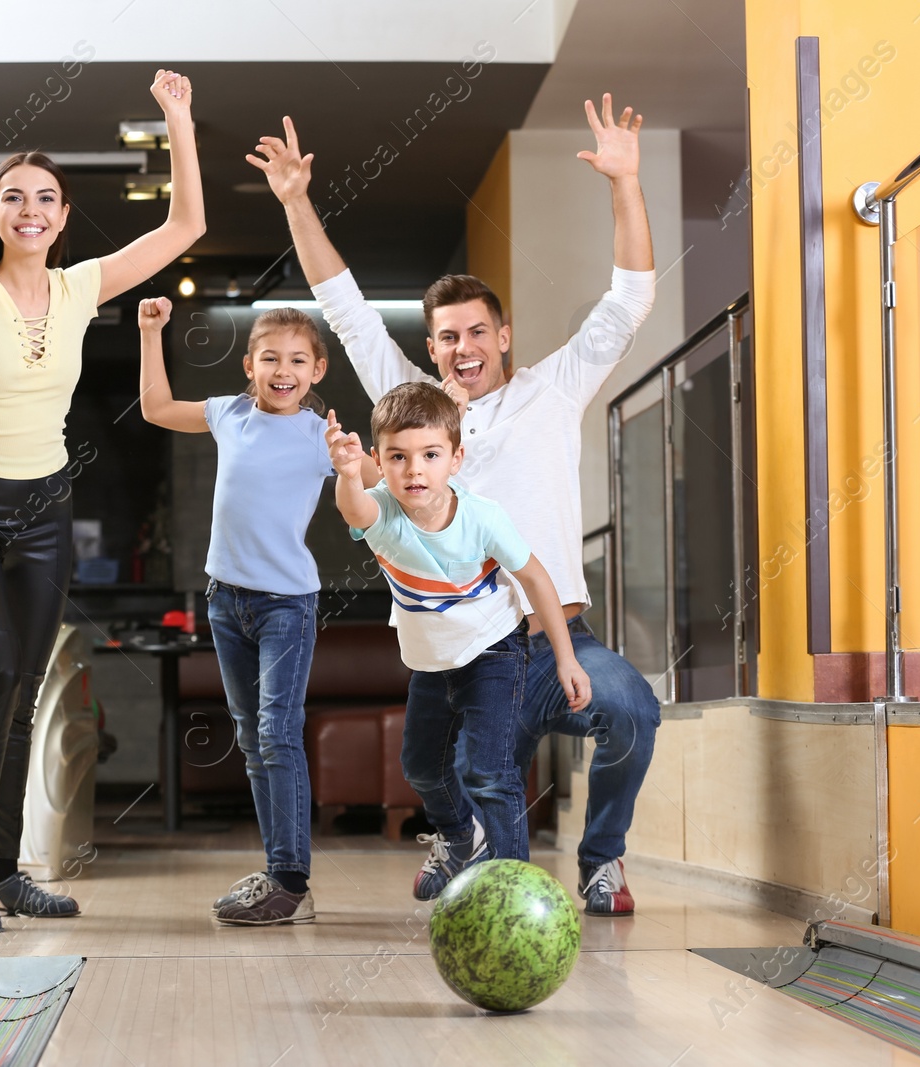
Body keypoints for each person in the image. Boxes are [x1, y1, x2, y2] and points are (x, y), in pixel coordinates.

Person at [252, 95, 659, 916]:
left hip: (549, 635)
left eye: (476, 333)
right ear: (431, 347)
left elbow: (628, 302)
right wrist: (297, 201)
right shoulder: (412, 404)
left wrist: (624, 184)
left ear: (502, 337)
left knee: (634, 712)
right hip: (456, 641)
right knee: (431, 770)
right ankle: (454, 832)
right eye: (446, 337)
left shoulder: (554, 390)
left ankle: (600, 860)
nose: (462, 349)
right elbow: (345, 307)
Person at [0, 30, 204, 932]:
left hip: (46, 507)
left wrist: (177, 119)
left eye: (47, 198)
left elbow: (185, 228)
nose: (31, 208)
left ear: (61, 218)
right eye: (13, 195)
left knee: (23, 680)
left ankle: (14, 870)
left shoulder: (81, 288)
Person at [138, 297, 362, 926]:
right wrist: (151, 334)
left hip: (286, 606)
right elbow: (156, 408)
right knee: (250, 739)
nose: (282, 369)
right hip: (224, 601)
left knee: (275, 732)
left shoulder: (321, 435)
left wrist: (350, 462)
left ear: (317, 369)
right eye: (270, 358)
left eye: (297, 360)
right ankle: (281, 871)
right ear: (249, 365)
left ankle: (291, 881)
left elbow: (379, 481)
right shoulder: (228, 415)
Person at [327, 384, 590, 900]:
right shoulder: (381, 511)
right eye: (398, 458)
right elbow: (355, 510)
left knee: (491, 772)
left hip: (495, 649)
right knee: (421, 767)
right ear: (379, 460)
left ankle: (513, 891)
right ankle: (458, 838)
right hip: (431, 663)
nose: (414, 470)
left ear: (456, 458)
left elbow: (537, 580)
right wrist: (347, 473)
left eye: (430, 455)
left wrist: (566, 659)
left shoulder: (482, 515)